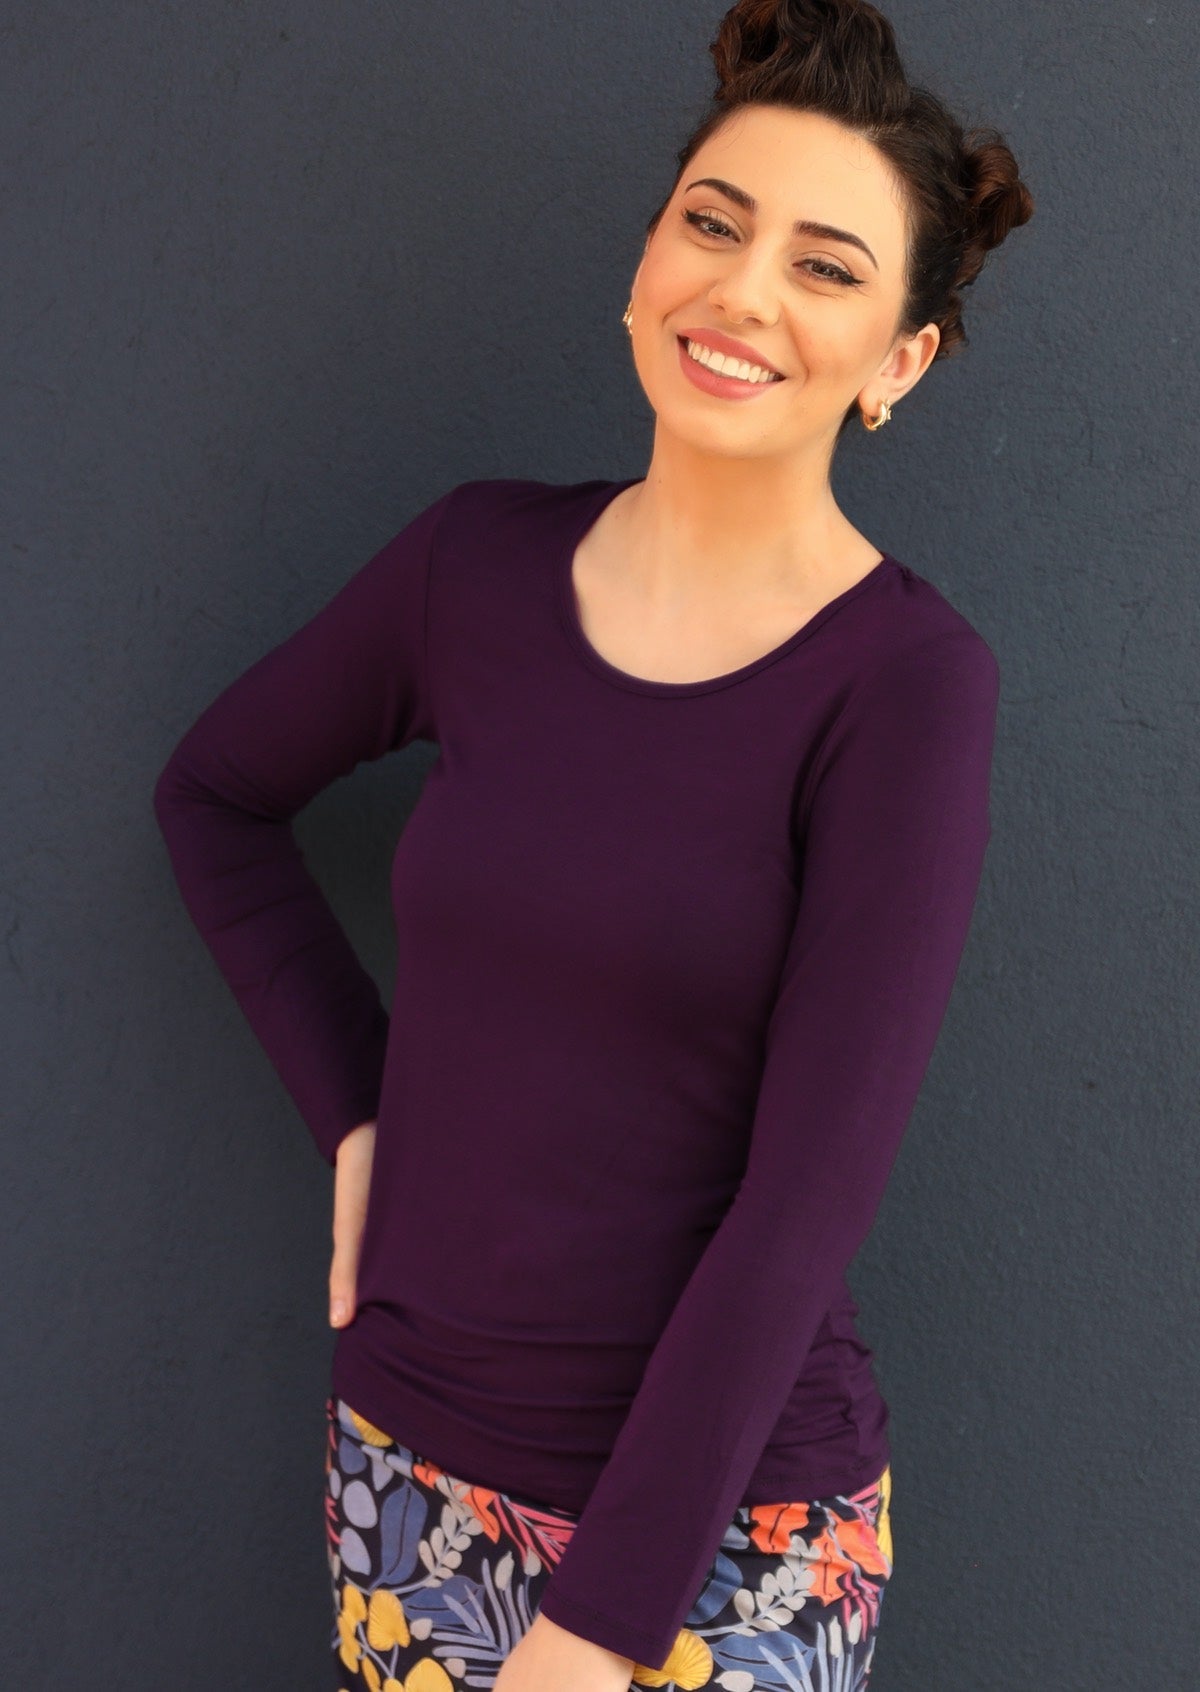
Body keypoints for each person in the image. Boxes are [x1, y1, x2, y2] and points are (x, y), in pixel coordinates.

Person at [152, 1, 1033, 1687]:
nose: (745, 290)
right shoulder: (468, 570)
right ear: (646, 259)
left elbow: (808, 1197)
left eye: (828, 266)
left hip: (724, 1544)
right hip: (409, 1467)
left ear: (899, 362)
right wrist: (357, 1113)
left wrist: (601, 1626)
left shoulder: (908, 686)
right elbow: (216, 795)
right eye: (714, 221)